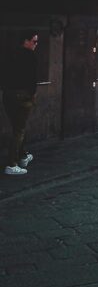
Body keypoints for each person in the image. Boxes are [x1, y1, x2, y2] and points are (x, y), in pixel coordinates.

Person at [2, 29, 39, 176]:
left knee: (17, 127)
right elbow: (32, 78)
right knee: (19, 129)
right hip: (22, 95)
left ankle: (23, 156)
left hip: (8, 95)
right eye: (34, 41)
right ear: (26, 41)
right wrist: (32, 94)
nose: (36, 44)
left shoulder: (10, 54)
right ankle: (12, 164)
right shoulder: (30, 56)